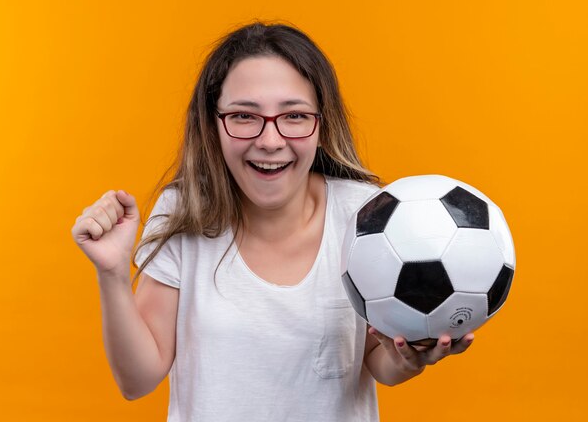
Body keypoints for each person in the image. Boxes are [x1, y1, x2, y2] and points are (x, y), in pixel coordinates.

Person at [71, 22, 473, 421]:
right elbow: (136, 380)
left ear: (321, 123)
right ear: (214, 124)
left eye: (294, 116)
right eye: (245, 116)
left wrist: (409, 357)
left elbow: (375, 361)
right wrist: (111, 274)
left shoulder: (365, 216)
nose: (270, 140)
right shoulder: (183, 211)